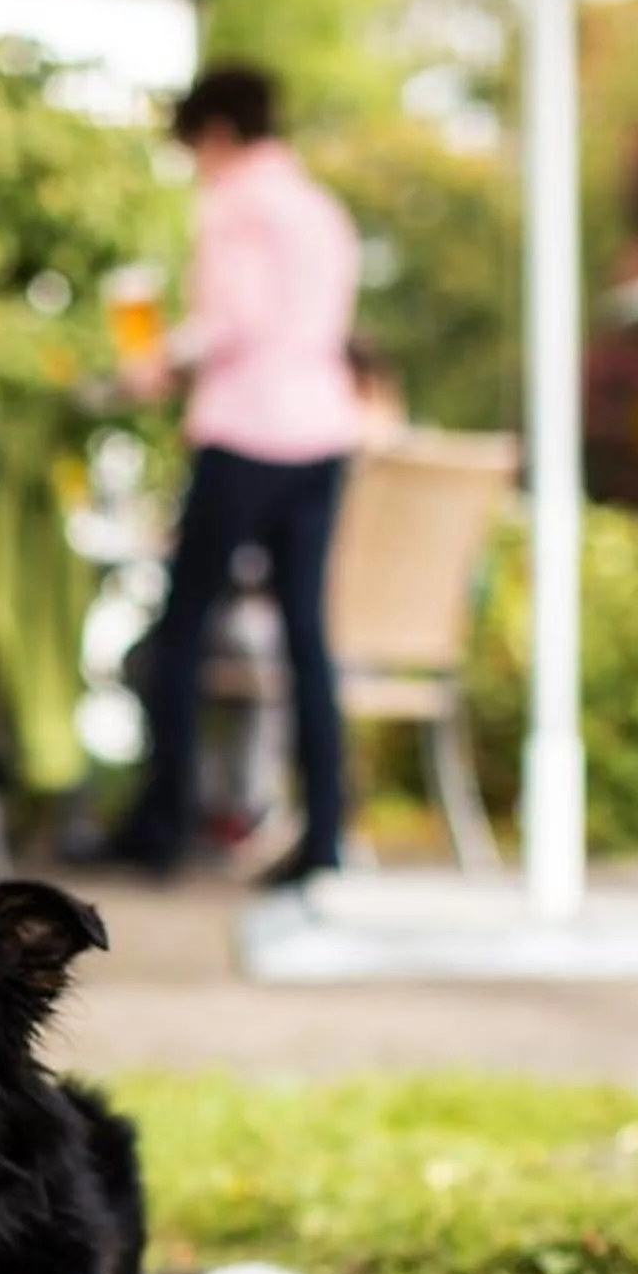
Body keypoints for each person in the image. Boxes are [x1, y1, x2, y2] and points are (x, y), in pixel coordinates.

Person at [102, 63, 364, 886]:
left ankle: (161, 826)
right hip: (322, 431)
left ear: (215, 133)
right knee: (306, 638)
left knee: (180, 632)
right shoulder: (321, 209)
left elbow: (233, 319)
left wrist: (158, 361)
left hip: (247, 431)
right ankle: (325, 833)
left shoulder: (236, 203)